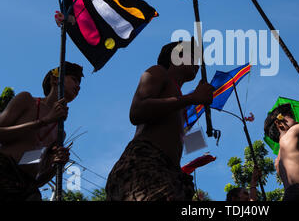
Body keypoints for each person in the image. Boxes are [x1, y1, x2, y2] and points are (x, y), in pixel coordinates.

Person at [105, 40, 214, 201]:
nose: (197, 62)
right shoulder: (158, 72)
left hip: (167, 172)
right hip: (144, 165)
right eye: (192, 56)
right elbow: (137, 112)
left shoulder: (181, 100)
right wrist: (193, 98)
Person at [0, 61, 83, 200]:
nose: (78, 87)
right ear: (55, 79)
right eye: (74, 79)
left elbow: (40, 179)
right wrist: (45, 121)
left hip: (27, 187)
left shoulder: (60, 132)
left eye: (80, 83)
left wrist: (57, 165)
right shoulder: (26, 100)